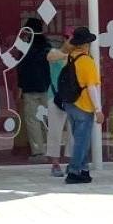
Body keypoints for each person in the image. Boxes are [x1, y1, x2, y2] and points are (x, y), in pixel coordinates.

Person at [56, 25, 101, 185]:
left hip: (71, 104)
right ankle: (74, 171)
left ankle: (83, 170)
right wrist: (98, 109)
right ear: (86, 44)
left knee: (79, 139)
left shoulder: (71, 57)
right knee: (82, 142)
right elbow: (91, 87)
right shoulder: (87, 61)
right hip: (84, 105)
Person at [16, 15, 58, 160]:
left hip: (29, 87)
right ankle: (51, 149)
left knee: (32, 120)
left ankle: (38, 151)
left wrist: (19, 88)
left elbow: (20, 68)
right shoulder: (48, 47)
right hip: (47, 87)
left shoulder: (24, 47)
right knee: (48, 118)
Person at [44, 34, 71, 177]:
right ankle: (55, 163)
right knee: (55, 131)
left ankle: (72, 161)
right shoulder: (55, 52)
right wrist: (67, 55)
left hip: (72, 98)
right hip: (55, 97)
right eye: (70, 40)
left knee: (73, 131)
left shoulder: (78, 56)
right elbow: (50, 57)